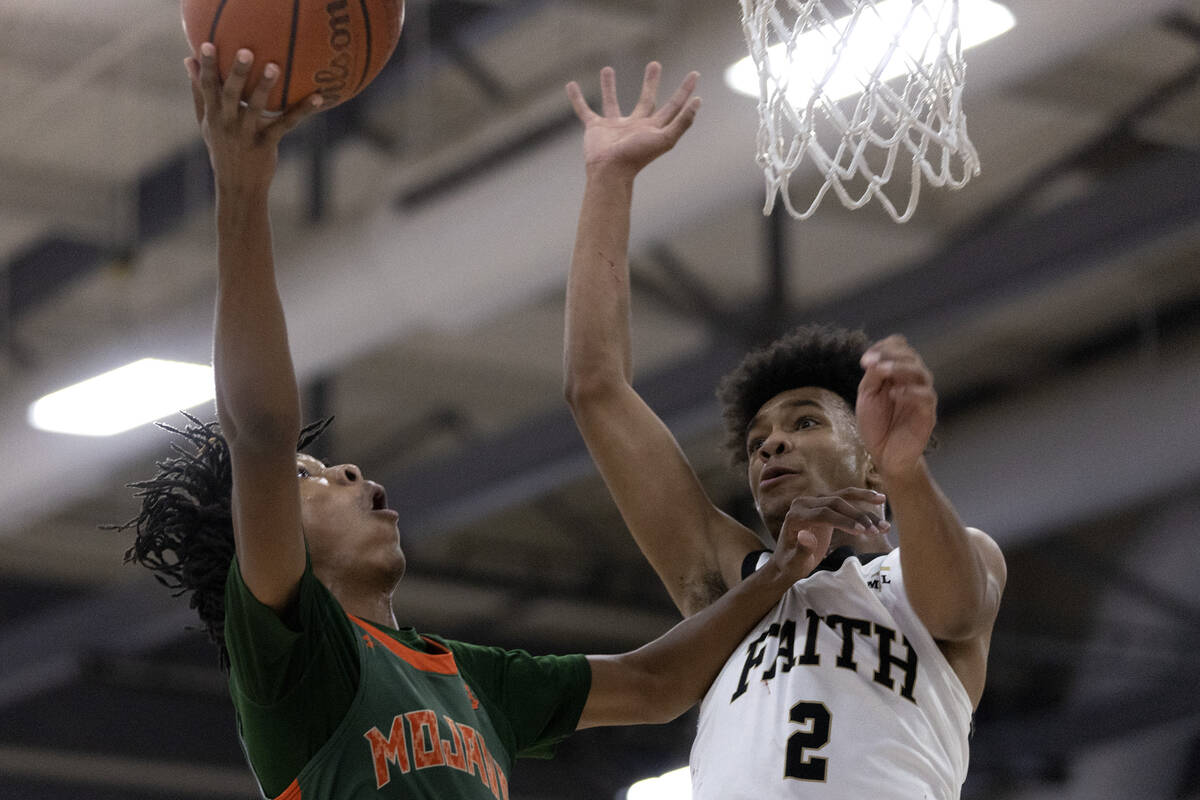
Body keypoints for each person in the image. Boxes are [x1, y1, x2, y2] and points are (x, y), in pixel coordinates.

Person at [112, 44, 833, 800]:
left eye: (324, 464)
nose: (348, 471)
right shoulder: (292, 660)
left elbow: (657, 682)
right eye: (308, 477)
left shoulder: (467, 677)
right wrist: (242, 190)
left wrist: (780, 573)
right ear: (263, 540)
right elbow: (258, 429)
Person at [563, 63, 1007, 798]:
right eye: (758, 436)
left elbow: (955, 609)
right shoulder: (728, 589)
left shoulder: (928, 571)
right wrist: (609, 180)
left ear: (869, 456)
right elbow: (596, 390)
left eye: (804, 421)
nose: (770, 443)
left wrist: (905, 471)